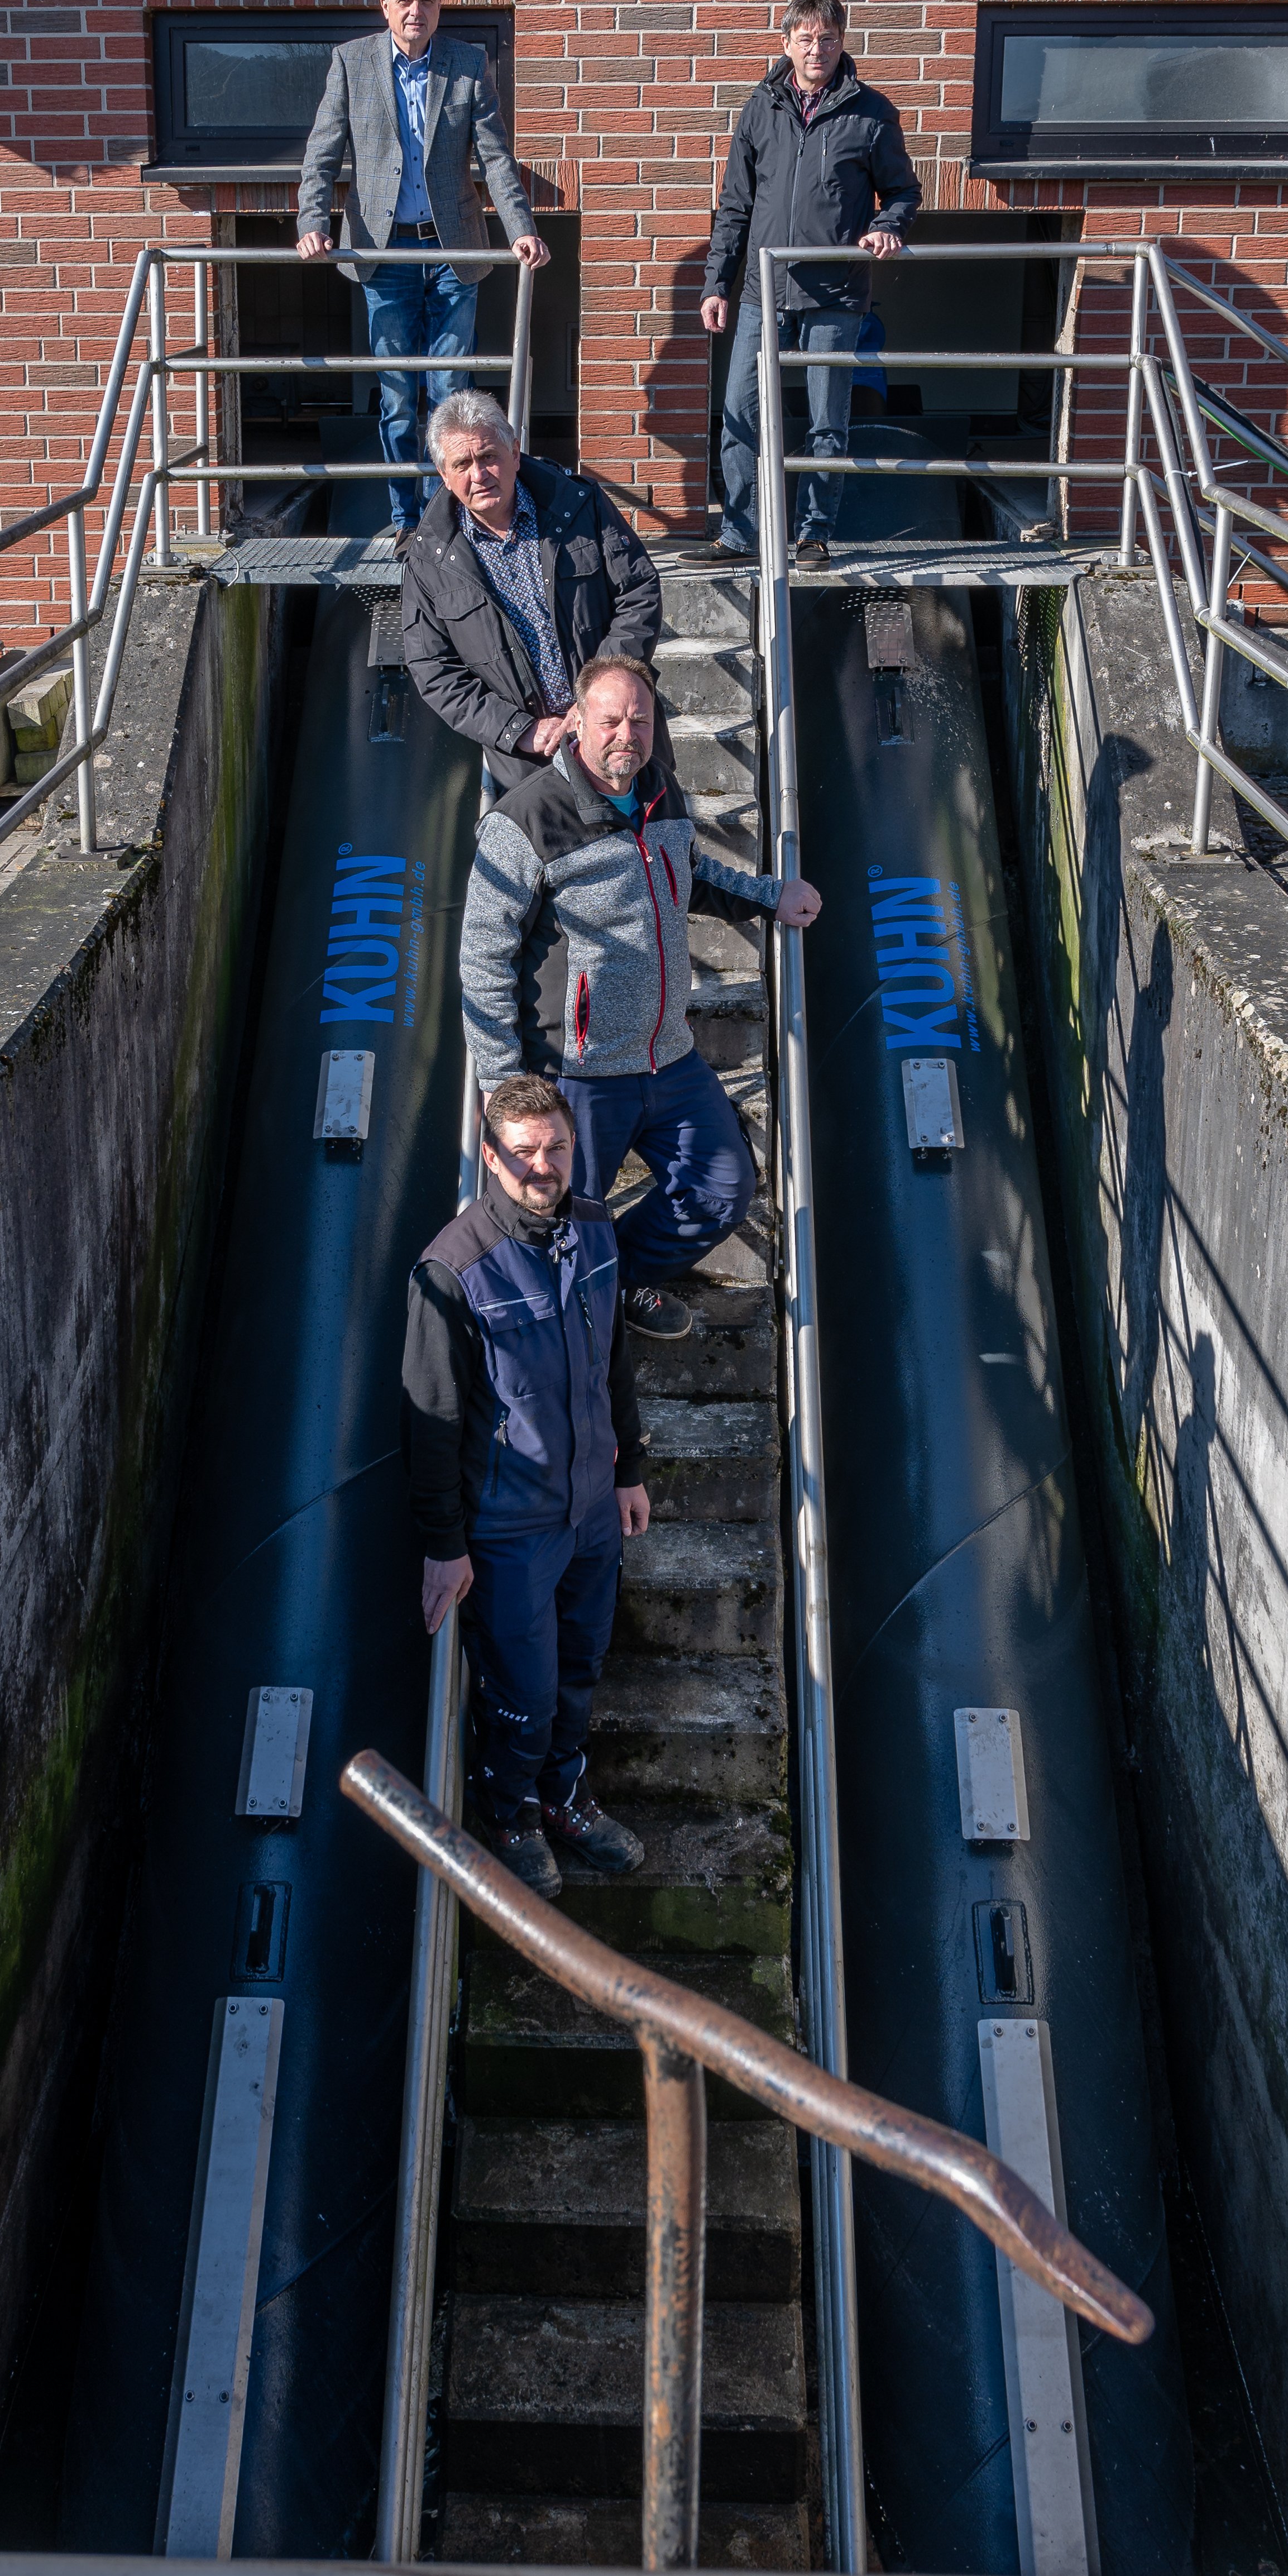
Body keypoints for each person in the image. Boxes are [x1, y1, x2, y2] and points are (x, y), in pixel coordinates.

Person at [459, 655, 821, 1343]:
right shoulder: (524, 823)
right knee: (558, 1220)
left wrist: (774, 897)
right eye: (611, 719)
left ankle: (616, 1281)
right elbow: (483, 959)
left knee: (721, 1187)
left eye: (640, 718)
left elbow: (691, 873)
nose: (626, 732)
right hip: (575, 1073)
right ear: (576, 726)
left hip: (668, 1058)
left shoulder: (660, 790)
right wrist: (503, 1086)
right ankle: (558, 1343)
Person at [403, 1073, 651, 1894]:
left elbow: (614, 1360)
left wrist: (630, 1473)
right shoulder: (454, 1268)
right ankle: (508, 1812)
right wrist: (445, 1548)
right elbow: (432, 1421)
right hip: (508, 1528)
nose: (542, 1166)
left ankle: (566, 1799)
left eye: (556, 1148)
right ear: (490, 1156)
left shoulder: (594, 1228)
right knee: (527, 1692)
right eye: (524, 1153)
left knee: (581, 1667)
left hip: (590, 1512)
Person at [295, 0, 549, 553]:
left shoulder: (466, 64)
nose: (417, 11)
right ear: (385, 7)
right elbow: (321, 153)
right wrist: (313, 222)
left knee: (449, 392)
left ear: (440, 7)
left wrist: (520, 226)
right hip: (383, 255)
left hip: (453, 250)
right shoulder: (352, 63)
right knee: (395, 396)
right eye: (405, 0)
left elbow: (496, 157)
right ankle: (405, 516)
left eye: (428, 0)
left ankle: (448, 514)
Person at [697, 0, 921, 572]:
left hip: (836, 293)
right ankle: (740, 532)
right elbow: (734, 206)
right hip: (761, 291)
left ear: (841, 42)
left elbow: (902, 190)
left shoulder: (871, 113)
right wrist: (716, 283)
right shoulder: (760, 107)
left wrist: (888, 225)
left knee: (828, 420)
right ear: (786, 43)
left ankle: (814, 534)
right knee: (740, 413)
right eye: (805, 39)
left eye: (827, 38)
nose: (816, 49)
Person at [401, 390, 665, 790]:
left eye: (489, 456)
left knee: (647, 848)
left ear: (515, 453)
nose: (480, 474)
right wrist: (517, 730)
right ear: (445, 476)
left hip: (620, 739)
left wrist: (596, 702)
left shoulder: (579, 506)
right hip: (530, 766)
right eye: (463, 464)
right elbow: (434, 670)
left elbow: (639, 591)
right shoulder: (427, 561)